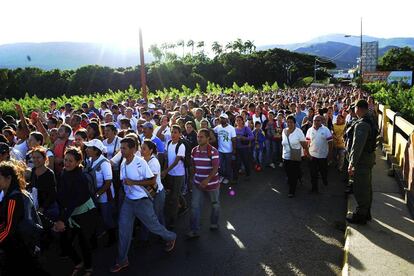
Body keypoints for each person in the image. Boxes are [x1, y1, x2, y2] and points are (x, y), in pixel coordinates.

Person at [111, 137, 176, 273]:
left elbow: (152, 181)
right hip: (129, 202)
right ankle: (122, 260)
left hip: (142, 202)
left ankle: (171, 237)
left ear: (133, 149)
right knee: (123, 231)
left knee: (154, 227)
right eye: (121, 148)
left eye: (124, 148)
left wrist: (134, 182)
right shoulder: (123, 162)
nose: (121, 150)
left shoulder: (141, 163)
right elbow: (125, 181)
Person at [55, 147, 98, 276]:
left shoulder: (81, 178)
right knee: (65, 242)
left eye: (70, 161)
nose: (67, 163)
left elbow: (75, 201)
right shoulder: (64, 173)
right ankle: (78, 262)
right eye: (65, 160)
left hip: (85, 214)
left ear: (79, 162)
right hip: (70, 212)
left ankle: (89, 267)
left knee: (83, 242)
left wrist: (62, 219)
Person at [0, 160, 49, 275]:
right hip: (22, 244)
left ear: (9, 178)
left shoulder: (13, 198)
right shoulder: (17, 193)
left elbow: (9, 228)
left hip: (19, 246)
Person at [347, 100, 377, 225]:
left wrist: (352, 163)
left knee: (361, 188)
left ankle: (361, 215)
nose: (353, 111)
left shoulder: (362, 124)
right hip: (367, 158)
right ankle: (366, 212)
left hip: (362, 161)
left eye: (354, 108)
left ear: (359, 109)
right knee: (367, 187)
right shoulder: (370, 119)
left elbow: (357, 146)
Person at [187, 129, 220, 238]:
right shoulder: (194, 150)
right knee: (194, 206)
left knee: (215, 204)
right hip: (197, 184)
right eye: (198, 137)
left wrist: (207, 180)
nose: (199, 139)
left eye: (201, 137)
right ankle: (194, 230)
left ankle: (214, 223)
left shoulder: (213, 151)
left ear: (207, 138)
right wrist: (192, 178)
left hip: (212, 184)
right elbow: (192, 166)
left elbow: (215, 168)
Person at [84, 139, 117, 247]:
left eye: (89, 148)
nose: (86, 149)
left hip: (104, 196)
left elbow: (108, 182)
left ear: (96, 151)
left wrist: (97, 195)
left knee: (106, 217)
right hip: (94, 194)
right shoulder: (89, 159)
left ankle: (112, 237)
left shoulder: (104, 163)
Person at [161, 125, 188, 229]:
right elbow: (167, 158)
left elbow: (177, 161)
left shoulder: (181, 146)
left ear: (180, 134)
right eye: (172, 132)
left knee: (174, 197)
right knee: (175, 192)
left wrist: (166, 171)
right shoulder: (168, 143)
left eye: (176, 132)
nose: (173, 134)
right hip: (170, 173)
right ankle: (185, 206)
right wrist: (165, 170)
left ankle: (172, 219)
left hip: (179, 174)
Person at [139, 140, 166, 241]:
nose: (141, 150)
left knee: (158, 216)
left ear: (151, 150)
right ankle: (144, 238)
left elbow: (152, 181)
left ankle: (165, 237)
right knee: (147, 216)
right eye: (141, 148)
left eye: (144, 149)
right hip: (147, 193)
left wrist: (134, 182)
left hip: (157, 193)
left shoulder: (153, 162)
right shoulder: (141, 160)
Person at [282, 115, 308, 198]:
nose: (289, 124)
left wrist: (307, 153)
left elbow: (304, 144)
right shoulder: (284, 131)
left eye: (291, 122)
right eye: (288, 122)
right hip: (285, 156)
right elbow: (283, 143)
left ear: (294, 123)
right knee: (288, 171)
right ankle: (299, 175)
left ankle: (292, 191)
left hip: (296, 156)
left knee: (292, 174)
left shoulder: (298, 131)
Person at [29, 147, 59, 221]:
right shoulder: (33, 171)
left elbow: (52, 194)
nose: (35, 160)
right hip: (36, 206)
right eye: (33, 157)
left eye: (38, 157)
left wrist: (42, 208)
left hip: (48, 209)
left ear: (45, 158)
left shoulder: (49, 174)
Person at [306, 115, 333, 192]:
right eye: (315, 120)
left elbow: (330, 142)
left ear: (321, 121)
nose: (316, 122)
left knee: (323, 171)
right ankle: (314, 188)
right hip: (312, 155)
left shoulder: (326, 130)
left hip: (323, 155)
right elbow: (307, 142)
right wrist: (307, 153)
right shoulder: (309, 130)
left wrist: (330, 154)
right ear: (313, 121)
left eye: (318, 120)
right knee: (313, 173)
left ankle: (324, 179)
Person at [214, 114, 236, 184]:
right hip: (220, 150)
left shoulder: (231, 128)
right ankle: (222, 176)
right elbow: (212, 131)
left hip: (228, 151)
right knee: (220, 165)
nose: (221, 120)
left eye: (223, 118)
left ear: (226, 120)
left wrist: (234, 149)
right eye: (220, 118)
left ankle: (228, 178)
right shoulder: (218, 127)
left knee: (228, 165)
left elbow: (234, 140)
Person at [234, 115, 253, 180]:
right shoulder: (234, 129)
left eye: (240, 120)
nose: (238, 121)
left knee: (246, 162)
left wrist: (244, 138)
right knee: (237, 163)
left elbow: (252, 136)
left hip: (245, 148)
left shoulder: (246, 128)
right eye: (237, 120)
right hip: (237, 148)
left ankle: (248, 175)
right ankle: (235, 178)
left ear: (242, 121)